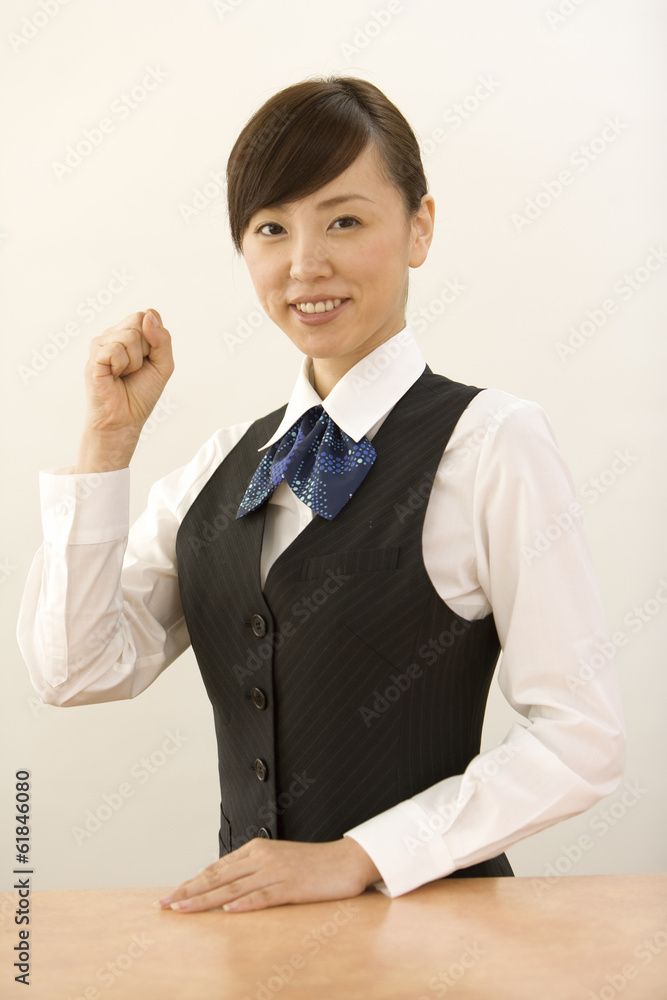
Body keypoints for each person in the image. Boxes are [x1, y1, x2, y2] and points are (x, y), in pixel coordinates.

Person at [17, 76, 625, 915]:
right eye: (272, 228)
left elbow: (582, 737)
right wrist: (105, 446)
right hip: (248, 948)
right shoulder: (222, 464)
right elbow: (74, 671)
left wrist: (361, 856)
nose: (305, 265)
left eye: (343, 221)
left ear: (419, 227)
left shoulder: (493, 443)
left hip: (437, 941)